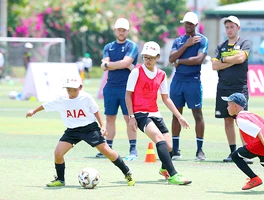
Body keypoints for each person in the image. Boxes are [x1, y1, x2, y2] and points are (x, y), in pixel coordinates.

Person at [25, 77, 135, 187]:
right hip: (72, 131)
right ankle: (60, 179)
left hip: (90, 129)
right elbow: (46, 105)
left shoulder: (86, 98)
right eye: (68, 90)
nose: (71, 92)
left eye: (74, 90)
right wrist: (33, 111)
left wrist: (102, 126)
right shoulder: (61, 99)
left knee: (107, 151)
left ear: (80, 88)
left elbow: (96, 111)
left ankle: (127, 173)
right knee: (58, 153)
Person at [125, 41, 192, 185]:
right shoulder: (136, 72)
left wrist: (179, 117)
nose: (148, 60)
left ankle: (163, 169)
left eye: (151, 57)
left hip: (155, 113)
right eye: (145, 57)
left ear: (157, 57)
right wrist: (131, 116)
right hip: (140, 114)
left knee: (169, 146)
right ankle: (173, 175)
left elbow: (166, 98)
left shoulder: (161, 74)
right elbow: (128, 95)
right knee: (159, 139)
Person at [222, 92, 264, 191]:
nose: (227, 108)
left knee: (235, 156)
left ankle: (254, 178)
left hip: (260, 144)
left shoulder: (240, 118)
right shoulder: (251, 114)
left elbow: (256, 129)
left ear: (235, 106)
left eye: (228, 105)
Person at [211, 16, 253, 164]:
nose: (229, 30)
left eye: (232, 27)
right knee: (227, 120)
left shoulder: (245, 43)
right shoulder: (220, 46)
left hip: (239, 88)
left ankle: (245, 153)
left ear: (238, 28)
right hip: (223, 87)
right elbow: (214, 66)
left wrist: (223, 60)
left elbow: (241, 59)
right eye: (227, 27)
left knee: (242, 120)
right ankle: (233, 152)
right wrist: (231, 59)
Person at [168, 12, 208, 161]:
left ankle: (199, 150)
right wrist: (185, 46)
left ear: (196, 25)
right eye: (186, 23)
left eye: (191, 23)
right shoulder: (179, 41)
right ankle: (176, 150)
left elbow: (198, 60)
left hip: (193, 81)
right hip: (177, 81)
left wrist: (180, 61)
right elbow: (171, 58)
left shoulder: (203, 40)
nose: (188, 26)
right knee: (176, 115)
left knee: (197, 115)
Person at [97, 18, 139, 159]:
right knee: (110, 118)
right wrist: (121, 64)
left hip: (127, 88)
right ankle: (108, 147)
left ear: (127, 31)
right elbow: (104, 65)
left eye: (124, 30)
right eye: (119, 30)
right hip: (110, 87)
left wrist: (112, 65)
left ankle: (133, 148)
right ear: (115, 30)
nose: (121, 32)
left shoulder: (132, 46)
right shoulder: (108, 47)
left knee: (129, 118)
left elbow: (123, 63)